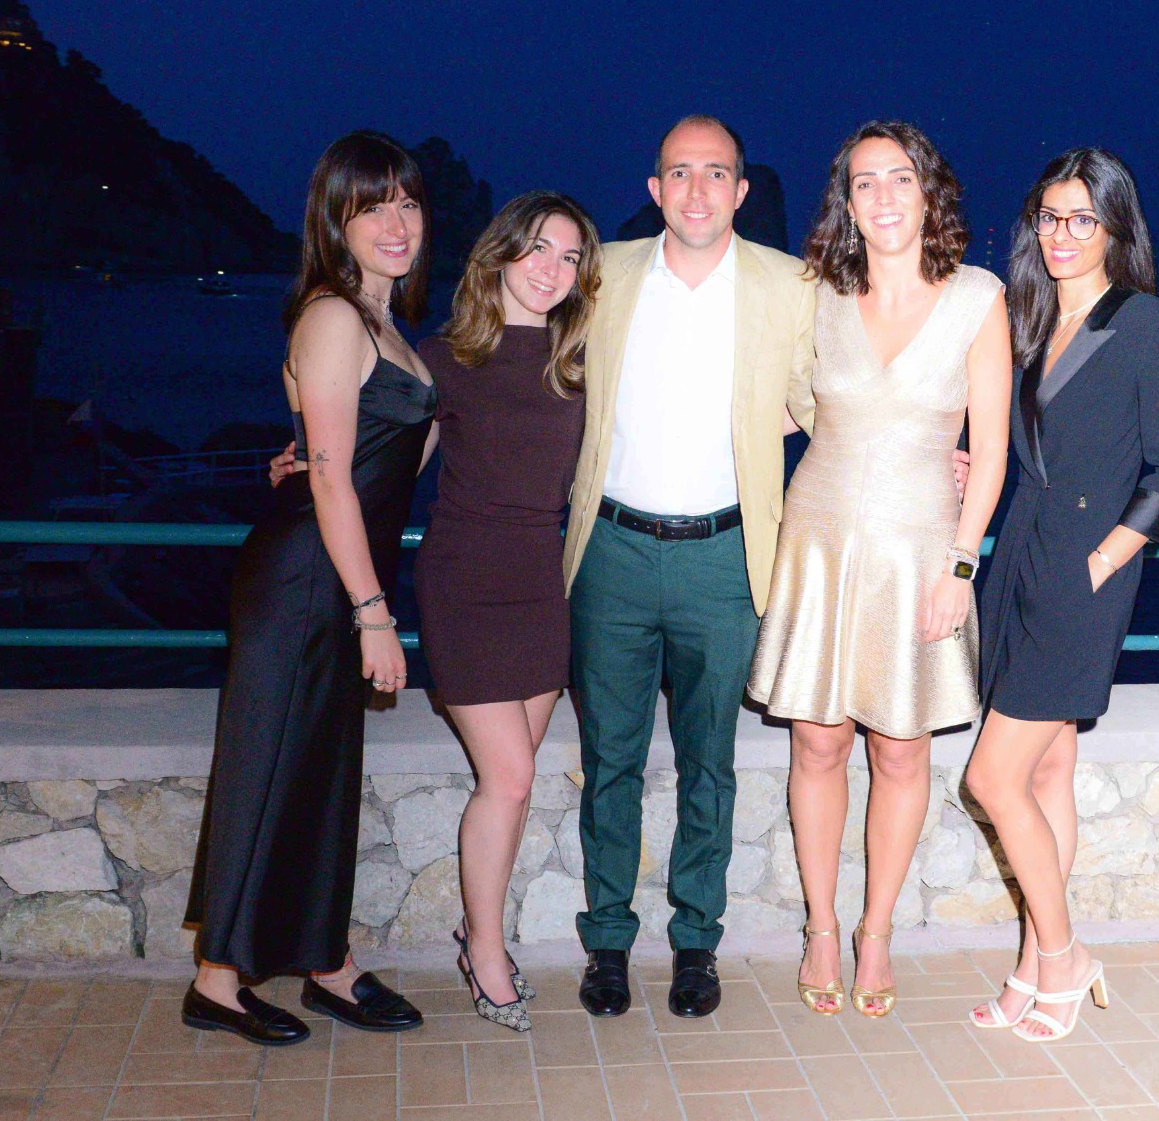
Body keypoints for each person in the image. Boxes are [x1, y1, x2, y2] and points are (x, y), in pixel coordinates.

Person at [748, 121, 1011, 1018]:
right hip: (819, 544)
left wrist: (961, 567)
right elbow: (779, 405)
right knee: (817, 743)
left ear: (929, 191)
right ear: (847, 202)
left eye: (901, 178)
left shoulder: (977, 297)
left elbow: (992, 450)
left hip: (921, 554)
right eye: (865, 183)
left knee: (901, 751)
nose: (885, 197)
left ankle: (877, 931)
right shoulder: (818, 294)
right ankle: (822, 926)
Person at [183, 131, 436, 1046]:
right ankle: (217, 981)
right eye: (372, 205)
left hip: (336, 572)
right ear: (336, 220)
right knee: (269, 766)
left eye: (407, 201)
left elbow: (371, 459)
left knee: (321, 776)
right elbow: (331, 483)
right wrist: (376, 614)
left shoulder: (385, 324)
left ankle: (325, 961)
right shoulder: (333, 316)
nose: (395, 222)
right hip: (306, 580)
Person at [567, 115, 815, 1019]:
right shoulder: (604, 273)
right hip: (612, 553)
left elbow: (831, 400)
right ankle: (606, 943)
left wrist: (940, 457)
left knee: (711, 763)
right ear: (655, 188)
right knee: (611, 760)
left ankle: (696, 942)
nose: (697, 190)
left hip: (724, 556)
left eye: (716, 173)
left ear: (741, 191)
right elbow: (527, 371)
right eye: (680, 172)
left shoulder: (791, 285)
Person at [964, 147, 1159, 1043]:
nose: (1062, 235)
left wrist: (1104, 562)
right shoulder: (1027, 321)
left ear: (1114, 228)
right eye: (1050, 217)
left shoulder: (1147, 324)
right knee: (1047, 769)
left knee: (991, 778)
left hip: (1082, 575)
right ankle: (1033, 966)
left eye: (1082, 219)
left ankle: (1065, 957)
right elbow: (1030, 450)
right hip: (1019, 560)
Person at [415, 192, 601, 1031]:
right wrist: (308, 463)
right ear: (498, 255)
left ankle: (476, 930)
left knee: (513, 784)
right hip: (463, 583)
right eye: (536, 248)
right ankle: (485, 950)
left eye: (569, 256)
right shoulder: (446, 358)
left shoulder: (579, 363)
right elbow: (386, 462)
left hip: (541, 585)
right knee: (512, 777)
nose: (550, 269)